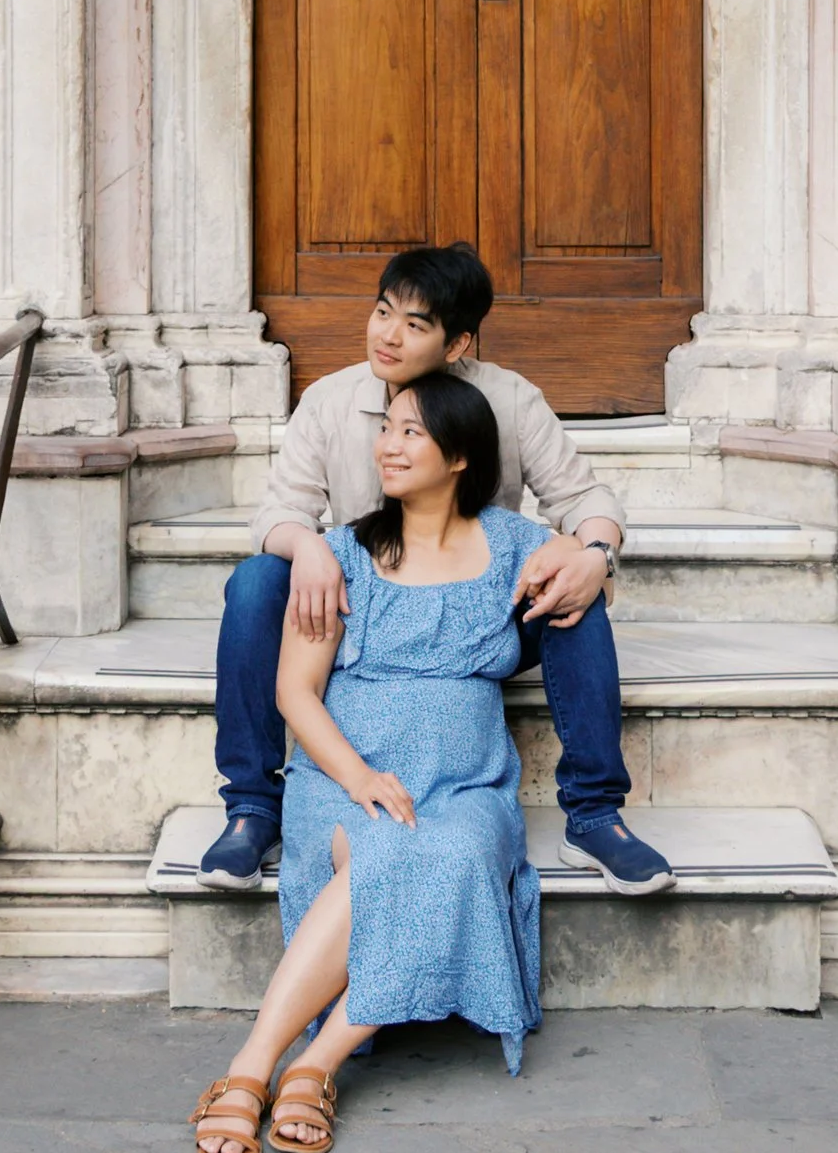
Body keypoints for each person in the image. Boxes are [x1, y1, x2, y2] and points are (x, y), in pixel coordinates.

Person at [201, 243, 671, 895]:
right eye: (382, 311)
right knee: (256, 582)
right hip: (358, 614)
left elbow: (585, 499)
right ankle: (252, 807)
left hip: (475, 615)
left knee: (574, 589)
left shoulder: (509, 399)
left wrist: (595, 554)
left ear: (457, 344)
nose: (388, 335)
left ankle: (594, 814)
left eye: (415, 324)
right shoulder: (331, 400)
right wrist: (307, 546)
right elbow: (278, 510)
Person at [190, 367, 548, 1153]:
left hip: (466, 786)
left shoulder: (514, 544)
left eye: (411, 430)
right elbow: (294, 689)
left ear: (461, 453)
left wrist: (591, 556)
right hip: (346, 778)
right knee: (386, 847)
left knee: (456, 850)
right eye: (387, 427)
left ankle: (313, 1065)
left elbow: (588, 574)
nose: (388, 443)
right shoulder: (341, 553)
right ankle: (254, 1065)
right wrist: (357, 777)